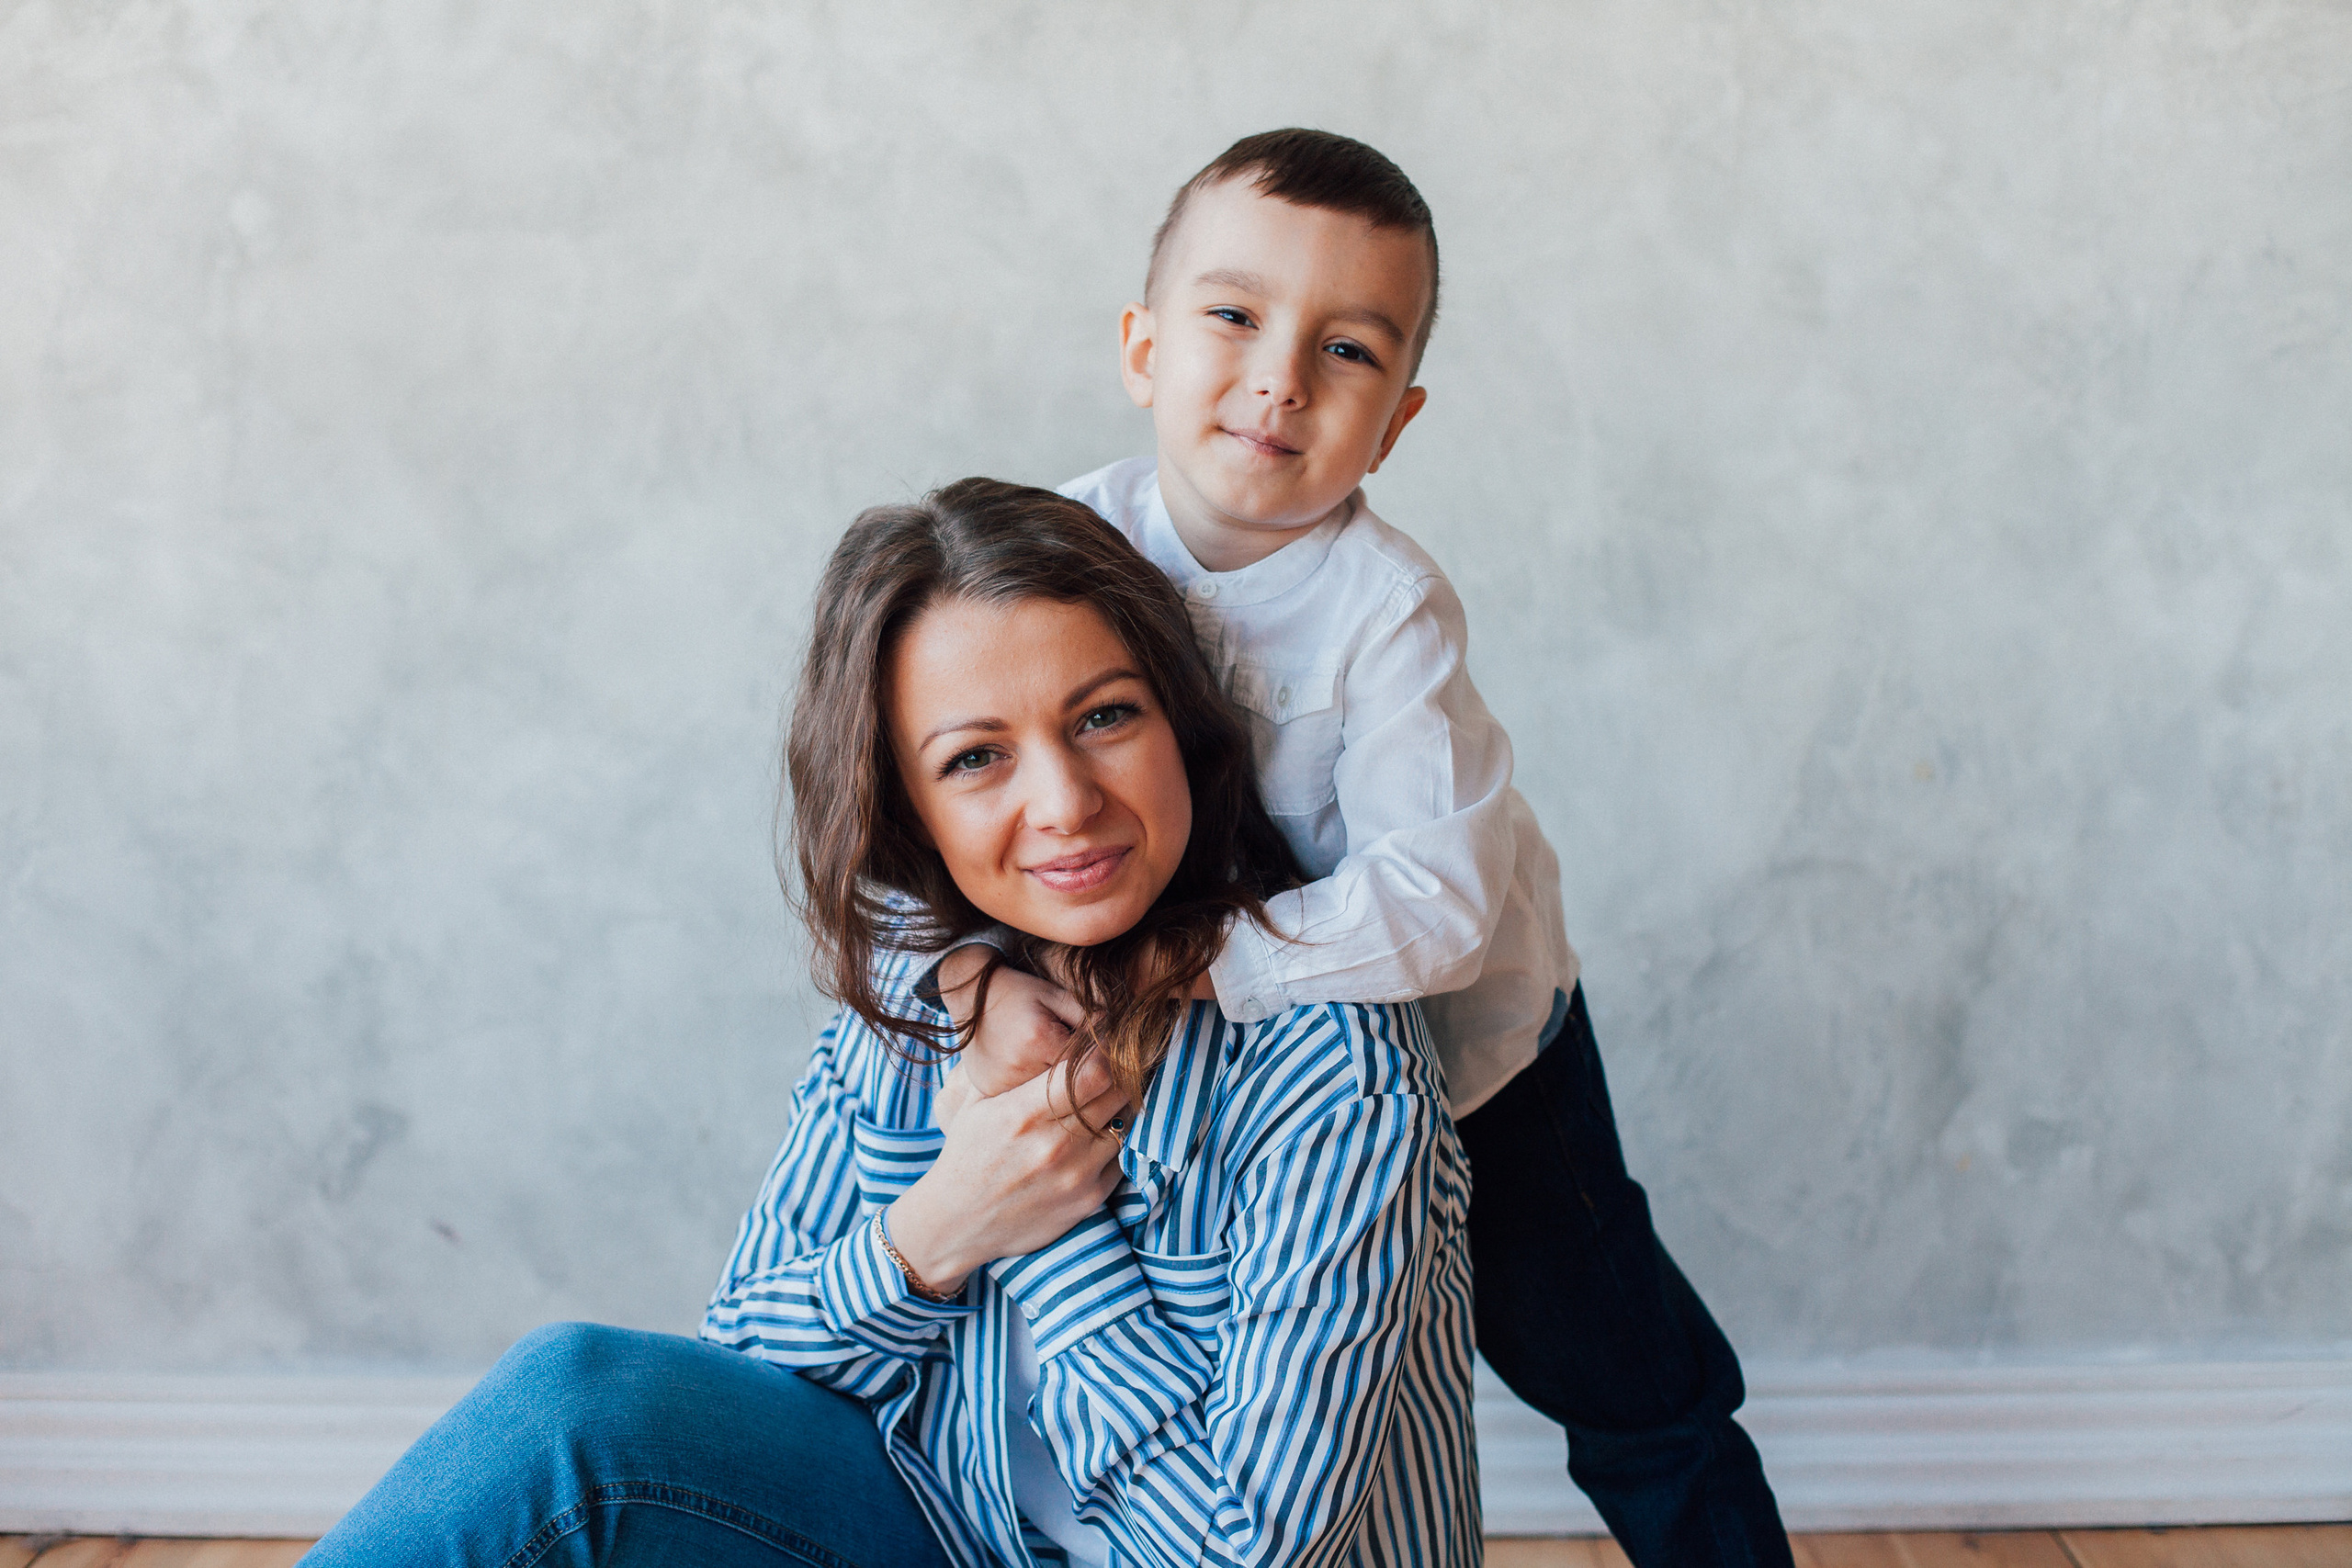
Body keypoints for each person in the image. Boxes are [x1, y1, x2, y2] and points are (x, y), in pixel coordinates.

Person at [300, 479, 1480, 1568]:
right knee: (582, 1406)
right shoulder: (926, 997)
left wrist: (1039, 1219)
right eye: (976, 758)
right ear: (907, 809)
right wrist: (935, 1227)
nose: (1065, 804)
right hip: (949, 1535)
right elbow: (741, 1379)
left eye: (1106, 717)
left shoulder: (1330, 1064)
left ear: (1182, 723)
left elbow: (1242, 1556)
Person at [930, 130, 1794, 1567]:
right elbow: (948, 761)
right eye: (1234, 315)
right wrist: (973, 969)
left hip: (1476, 1059)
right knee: (1236, 1351)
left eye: (1346, 350)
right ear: (1141, 347)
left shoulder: (1387, 612)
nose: (1279, 375)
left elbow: (1441, 900)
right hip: (1227, 1074)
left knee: (1620, 1370)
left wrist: (1191, 955)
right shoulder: (1066, 547)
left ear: (1396, 421)